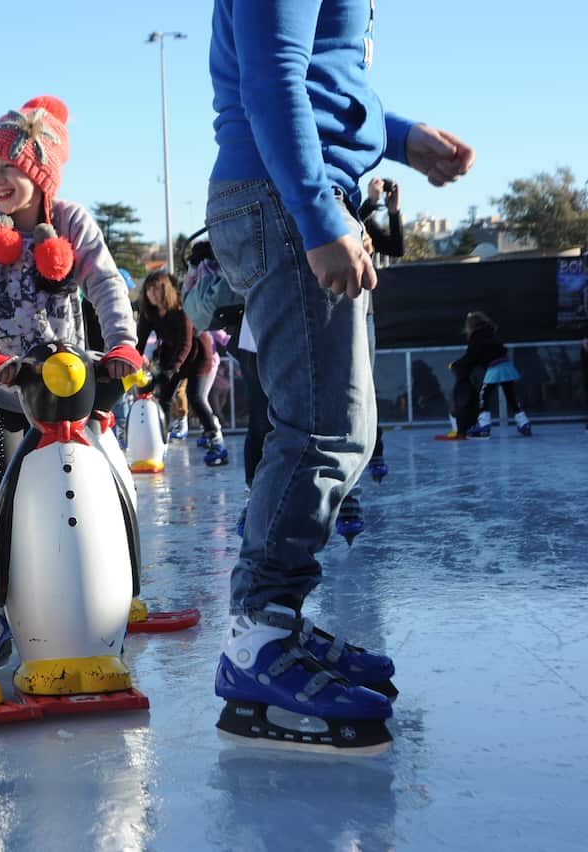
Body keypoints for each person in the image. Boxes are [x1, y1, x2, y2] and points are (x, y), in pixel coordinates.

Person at [205, 0, 475, 751]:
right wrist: (319, 217)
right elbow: (271, 79)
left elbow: (325, 83)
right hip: (285, 197)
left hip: (300, 192)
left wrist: (399, 137)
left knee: (342, 432)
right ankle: (258, 637)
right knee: (321, 430)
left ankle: (275, 621)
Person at [0, 95, 142, 508]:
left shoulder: (72, 221)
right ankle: (1, 568)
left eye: (10, 168)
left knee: (72, 484)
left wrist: (121, 342)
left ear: (41, 175)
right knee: (1, 483)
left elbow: (106, 283)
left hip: (64, 384)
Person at [135, 270, 227, 466]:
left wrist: (173, 368)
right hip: (171, 355)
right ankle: (162, 440)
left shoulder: (180, 310)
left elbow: (186, 343)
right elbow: (140, 341)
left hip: (196, 355)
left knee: (196, 397)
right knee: (165, 398)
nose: (151, 294)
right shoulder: (148, 313)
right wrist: (133, 361)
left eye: (156, 289)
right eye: (148, 290)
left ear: (165, 290)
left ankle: (215, 437)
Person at [454, 310, 532, 438]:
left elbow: (472, 356)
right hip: (506, 365)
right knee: (511, 396)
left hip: (495, 368)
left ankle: (484, 425)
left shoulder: (476, 337)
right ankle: (524, 422)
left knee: (484, 395)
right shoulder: (491, 333)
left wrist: (457, 363)